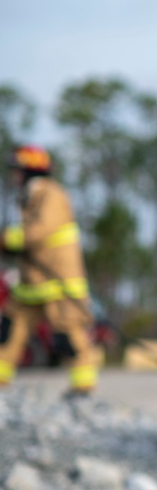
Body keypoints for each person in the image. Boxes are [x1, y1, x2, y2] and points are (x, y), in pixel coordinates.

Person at [0, 145, 99, 395]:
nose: (15, 176)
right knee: (9, 329)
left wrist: (8, 239)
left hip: (59, 283)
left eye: (18, 170)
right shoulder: (30, 195)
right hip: (32, 282)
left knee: (69, 335)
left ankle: (82, 388)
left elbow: (38, 230)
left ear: (30, 170)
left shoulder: (52, 194)